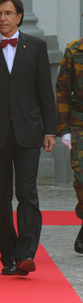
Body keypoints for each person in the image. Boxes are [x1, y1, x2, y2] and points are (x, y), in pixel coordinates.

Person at [0, 0, 57, 276]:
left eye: (8, 13)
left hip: (28, 132)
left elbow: (45, 91)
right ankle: (9, 256)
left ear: (19, 16)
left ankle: (27, 253)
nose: (3, 18)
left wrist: (50, 130)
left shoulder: (37, 47)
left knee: (28, 192)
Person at [55, 37, 83, 254]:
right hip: (80, 123)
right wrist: (63, 128)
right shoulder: (75, 50)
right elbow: (63, 89)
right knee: (81, 178)